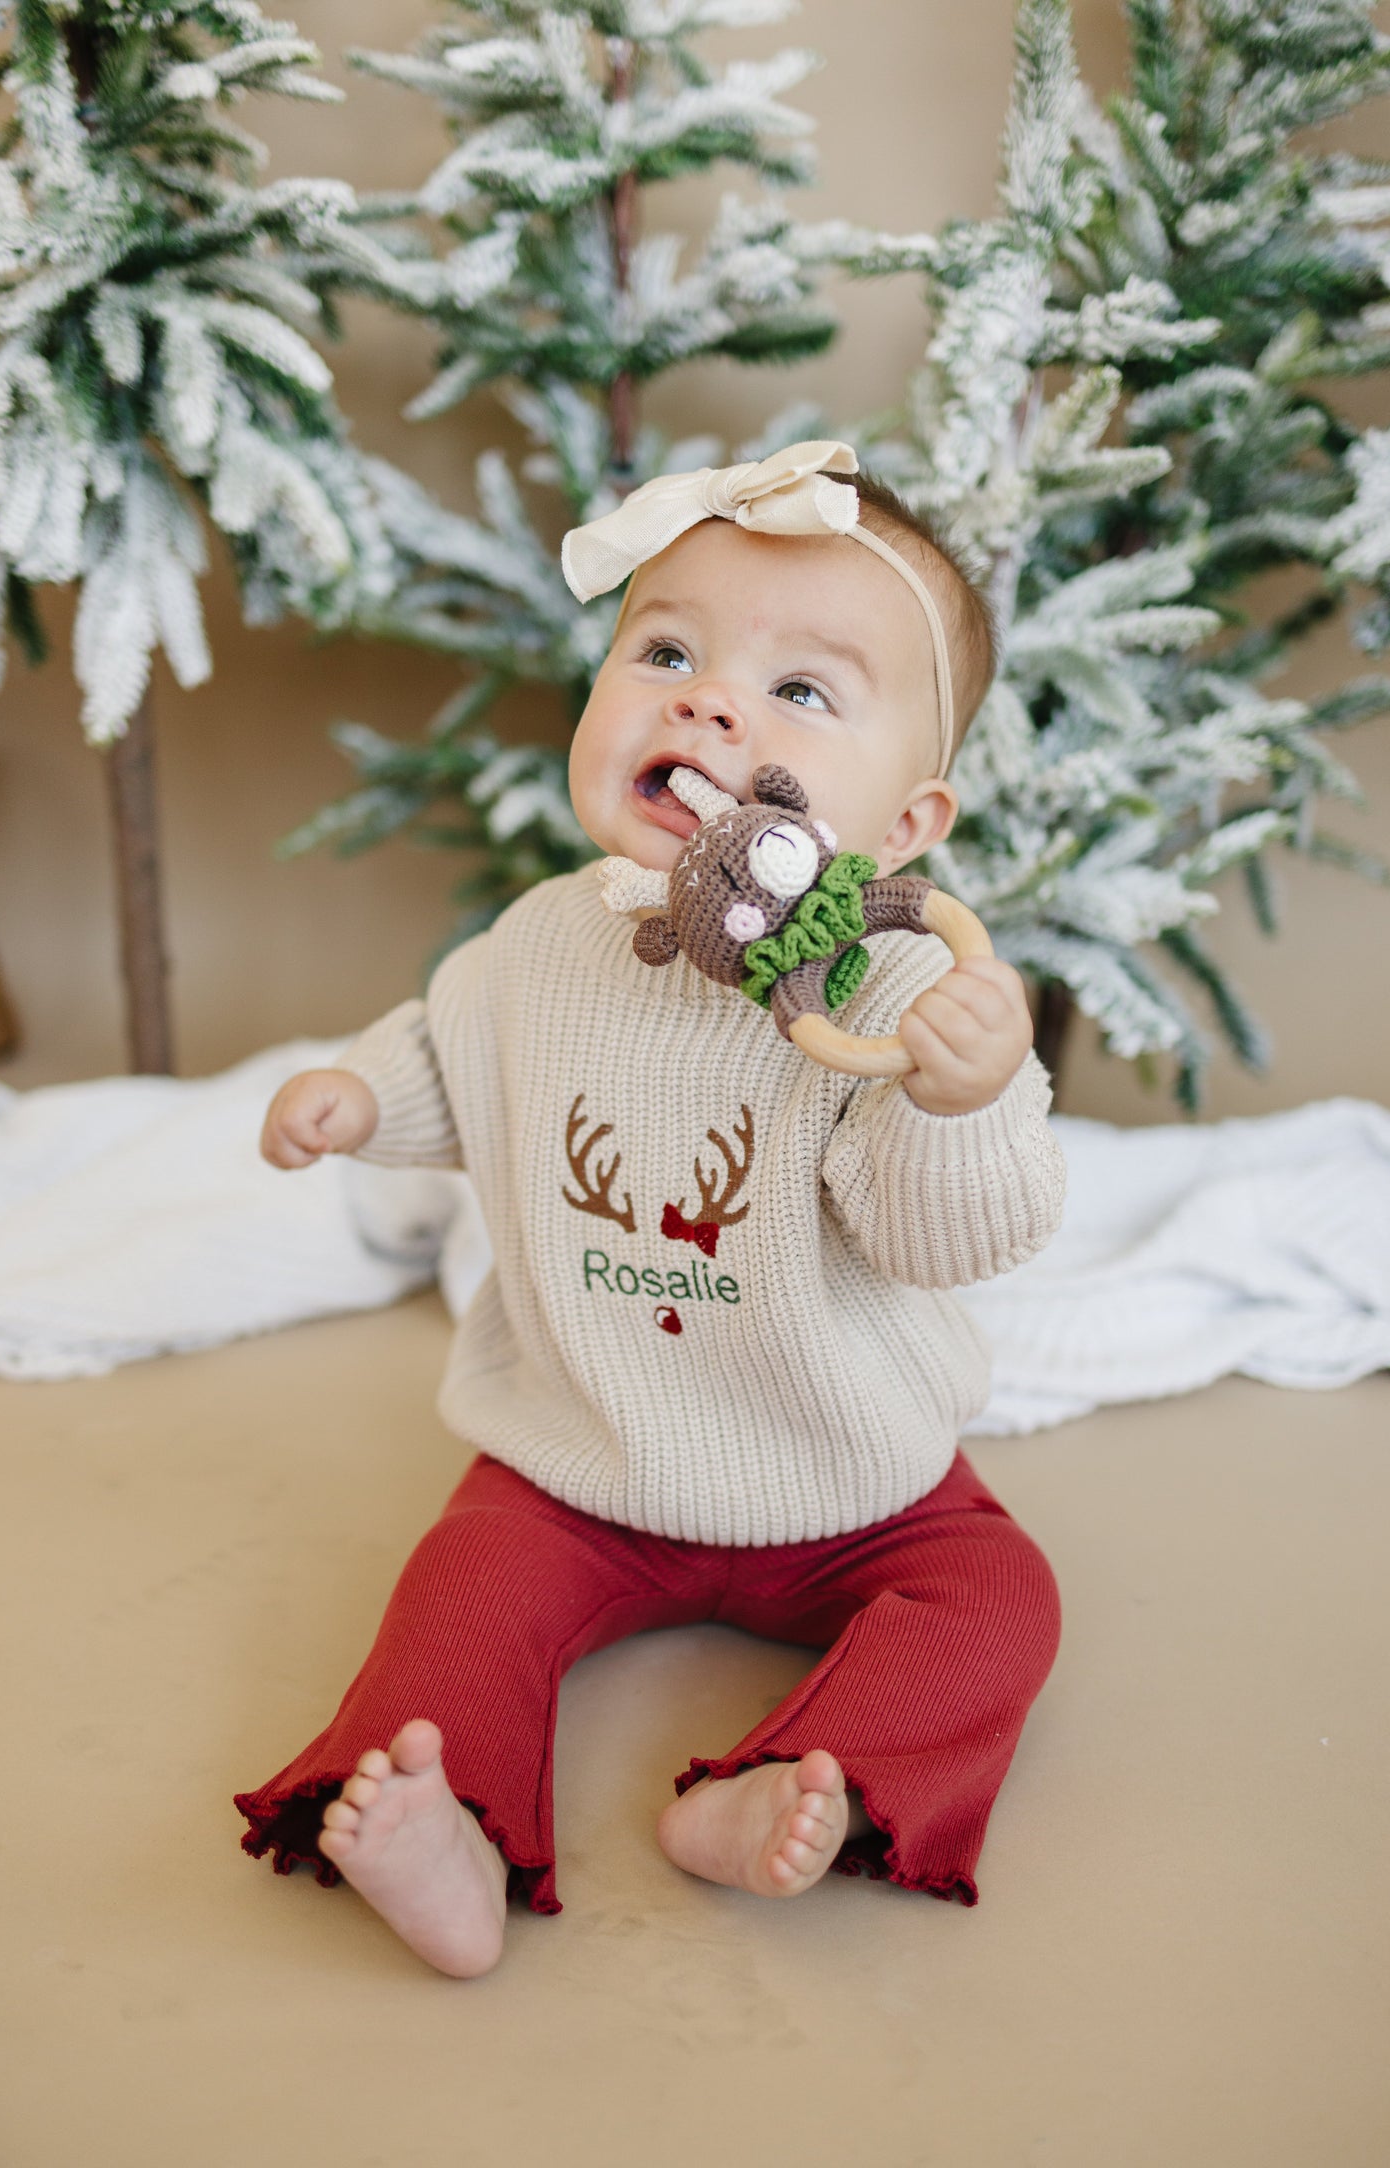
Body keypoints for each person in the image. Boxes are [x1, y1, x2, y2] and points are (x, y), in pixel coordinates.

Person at [235, 441, 1067, 1978]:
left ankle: (772, 1788)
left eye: (802, 692)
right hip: (583, 1456)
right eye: (666, 653)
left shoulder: (892, 991)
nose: (705, 702)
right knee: (458, 1587)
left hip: (850, 1476)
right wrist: (362, 1100)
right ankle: (451, 1824)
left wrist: (961, 1099)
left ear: (903, 829)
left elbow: (937, 1237)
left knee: (1000, 1594)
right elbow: (457, 1048)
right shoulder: (543, 939)